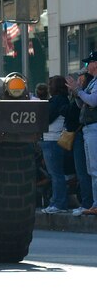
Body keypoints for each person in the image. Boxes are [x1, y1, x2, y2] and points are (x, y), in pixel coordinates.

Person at [66, 50, 97, 216]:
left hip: (94, 128)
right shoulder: (93, 82)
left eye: (89, 63)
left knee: (95, 169)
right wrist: (77, 93)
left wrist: (79, 91)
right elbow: (83, 105)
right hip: (88, 128)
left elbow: (93, 101)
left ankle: (95, 203)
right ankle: (94, 203)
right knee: (92, 169)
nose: (87, 66)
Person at [40, 76, 71, 213]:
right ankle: (57, 201)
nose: (48, 87)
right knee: (56, 173)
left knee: (55, 174)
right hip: (55, 139)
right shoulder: (63, 99)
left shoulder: (56, 100)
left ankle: (58, 203)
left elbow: (46, 118)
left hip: (52, 139)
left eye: (50, 84)